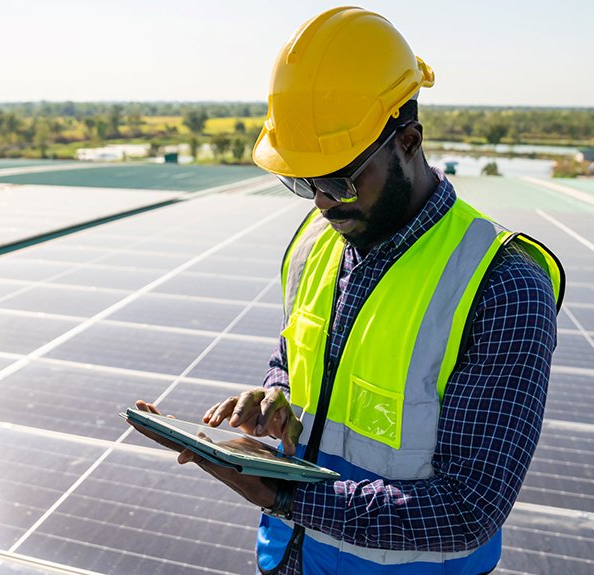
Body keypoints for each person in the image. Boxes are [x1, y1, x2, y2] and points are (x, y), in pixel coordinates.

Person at [129, 6, 564, 575]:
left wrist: (282, 496)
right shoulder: (317, 241)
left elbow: (467, 508)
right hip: (291, 559)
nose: (321, 201)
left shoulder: (500, 285)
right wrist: (274, 397)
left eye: (338, 179)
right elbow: (293, 355)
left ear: (408, 141)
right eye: (301, 181)